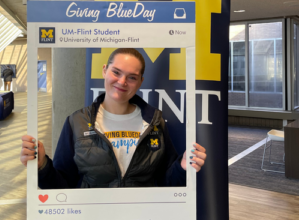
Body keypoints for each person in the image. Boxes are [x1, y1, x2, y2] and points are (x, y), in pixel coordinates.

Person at [20, 48, 206, 188]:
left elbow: (167, 183)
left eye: (132, 77)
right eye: (116, 72)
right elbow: (61, 187)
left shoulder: (155, 122)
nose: (122, 82)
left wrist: (183, 167)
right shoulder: (76, 122)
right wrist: (42, 166)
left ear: (140, 82)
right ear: (104, 70)